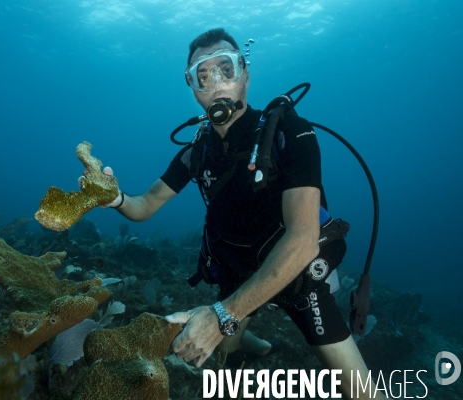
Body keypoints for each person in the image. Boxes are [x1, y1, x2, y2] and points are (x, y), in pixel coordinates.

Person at [101, 28, 386, 399]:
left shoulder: (291, 134)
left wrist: (223, 315)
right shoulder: (196, 152)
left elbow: (301, 242)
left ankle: (243, 325)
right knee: (224, 353)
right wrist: (116, 198)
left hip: (295, 275)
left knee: (363, 393)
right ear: (192, 89)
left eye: (226, 69)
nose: (215, 84)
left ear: (245, 75)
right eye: (201, 77)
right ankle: (256, 343)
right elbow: (144, 206)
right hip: (237, 272)